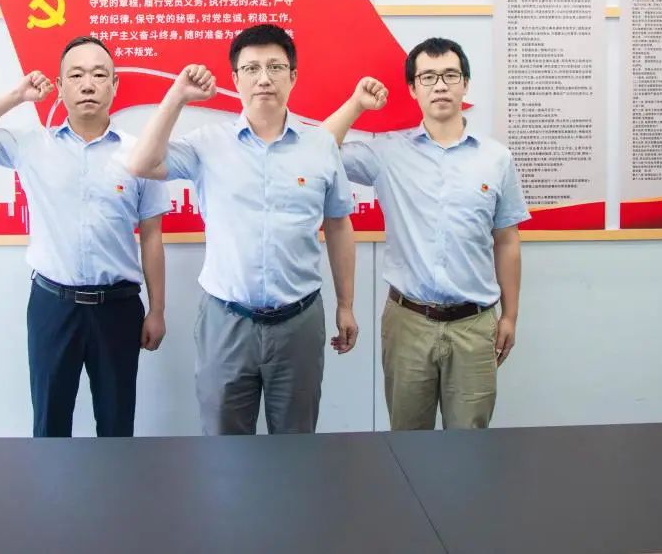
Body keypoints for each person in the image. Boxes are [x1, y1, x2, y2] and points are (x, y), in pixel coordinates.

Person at [124, 23, 358, 435]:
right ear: (235, 79)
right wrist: (177, 96)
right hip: (226, 321)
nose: (264, 78)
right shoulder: (207, 144)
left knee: (297, 443)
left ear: (293, 76)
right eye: (251, 69)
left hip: (299, 322)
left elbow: (339, 224)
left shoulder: (320, 146)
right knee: (224, 445)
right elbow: (141, 163)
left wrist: (345, 304)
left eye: (275, 67)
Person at [0, 35, 170, 437]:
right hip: (53, 305)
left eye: (99, 75)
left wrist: (157, 310)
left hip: (118, 308)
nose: (88, 85)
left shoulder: (139, 155)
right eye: (77, 75)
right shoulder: (32, 145)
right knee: (50, 424)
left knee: (117, 426)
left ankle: (114, 483)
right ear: (61, 85)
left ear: (114, 85)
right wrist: (18, 95)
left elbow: (152, 236)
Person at [322, 37, 527, 430]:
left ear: (465, 84)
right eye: (428, 77)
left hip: (475, 325)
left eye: (450, 75)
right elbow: (319, 150)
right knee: (408, 441)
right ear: (413, 89)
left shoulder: (496, 158)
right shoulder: (388, 152)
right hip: (408, 322)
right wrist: (356, 105)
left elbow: (507, 240)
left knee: (470, 443)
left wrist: (511, 316)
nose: (440, 85)